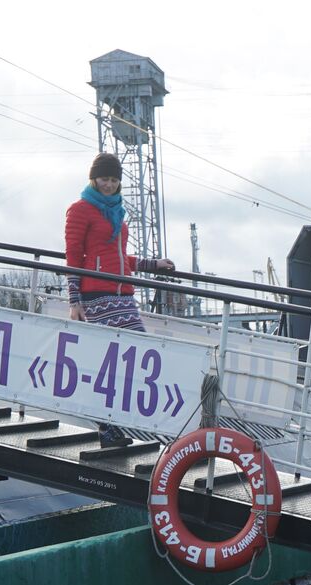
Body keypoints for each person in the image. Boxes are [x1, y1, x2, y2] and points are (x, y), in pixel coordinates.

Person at [63, 153, 176, 448]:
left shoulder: (116, 211)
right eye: (104, 179)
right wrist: (74, 299)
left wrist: (153, 264)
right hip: (96, 295)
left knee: (135, 355)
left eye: (114, 180)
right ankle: (107, 425)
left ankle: (113, 423)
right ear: (93, 178)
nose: (109, 185)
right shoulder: (81, 209)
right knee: (110, 360)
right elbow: (74, 257)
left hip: (122, 294)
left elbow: (119, 257)